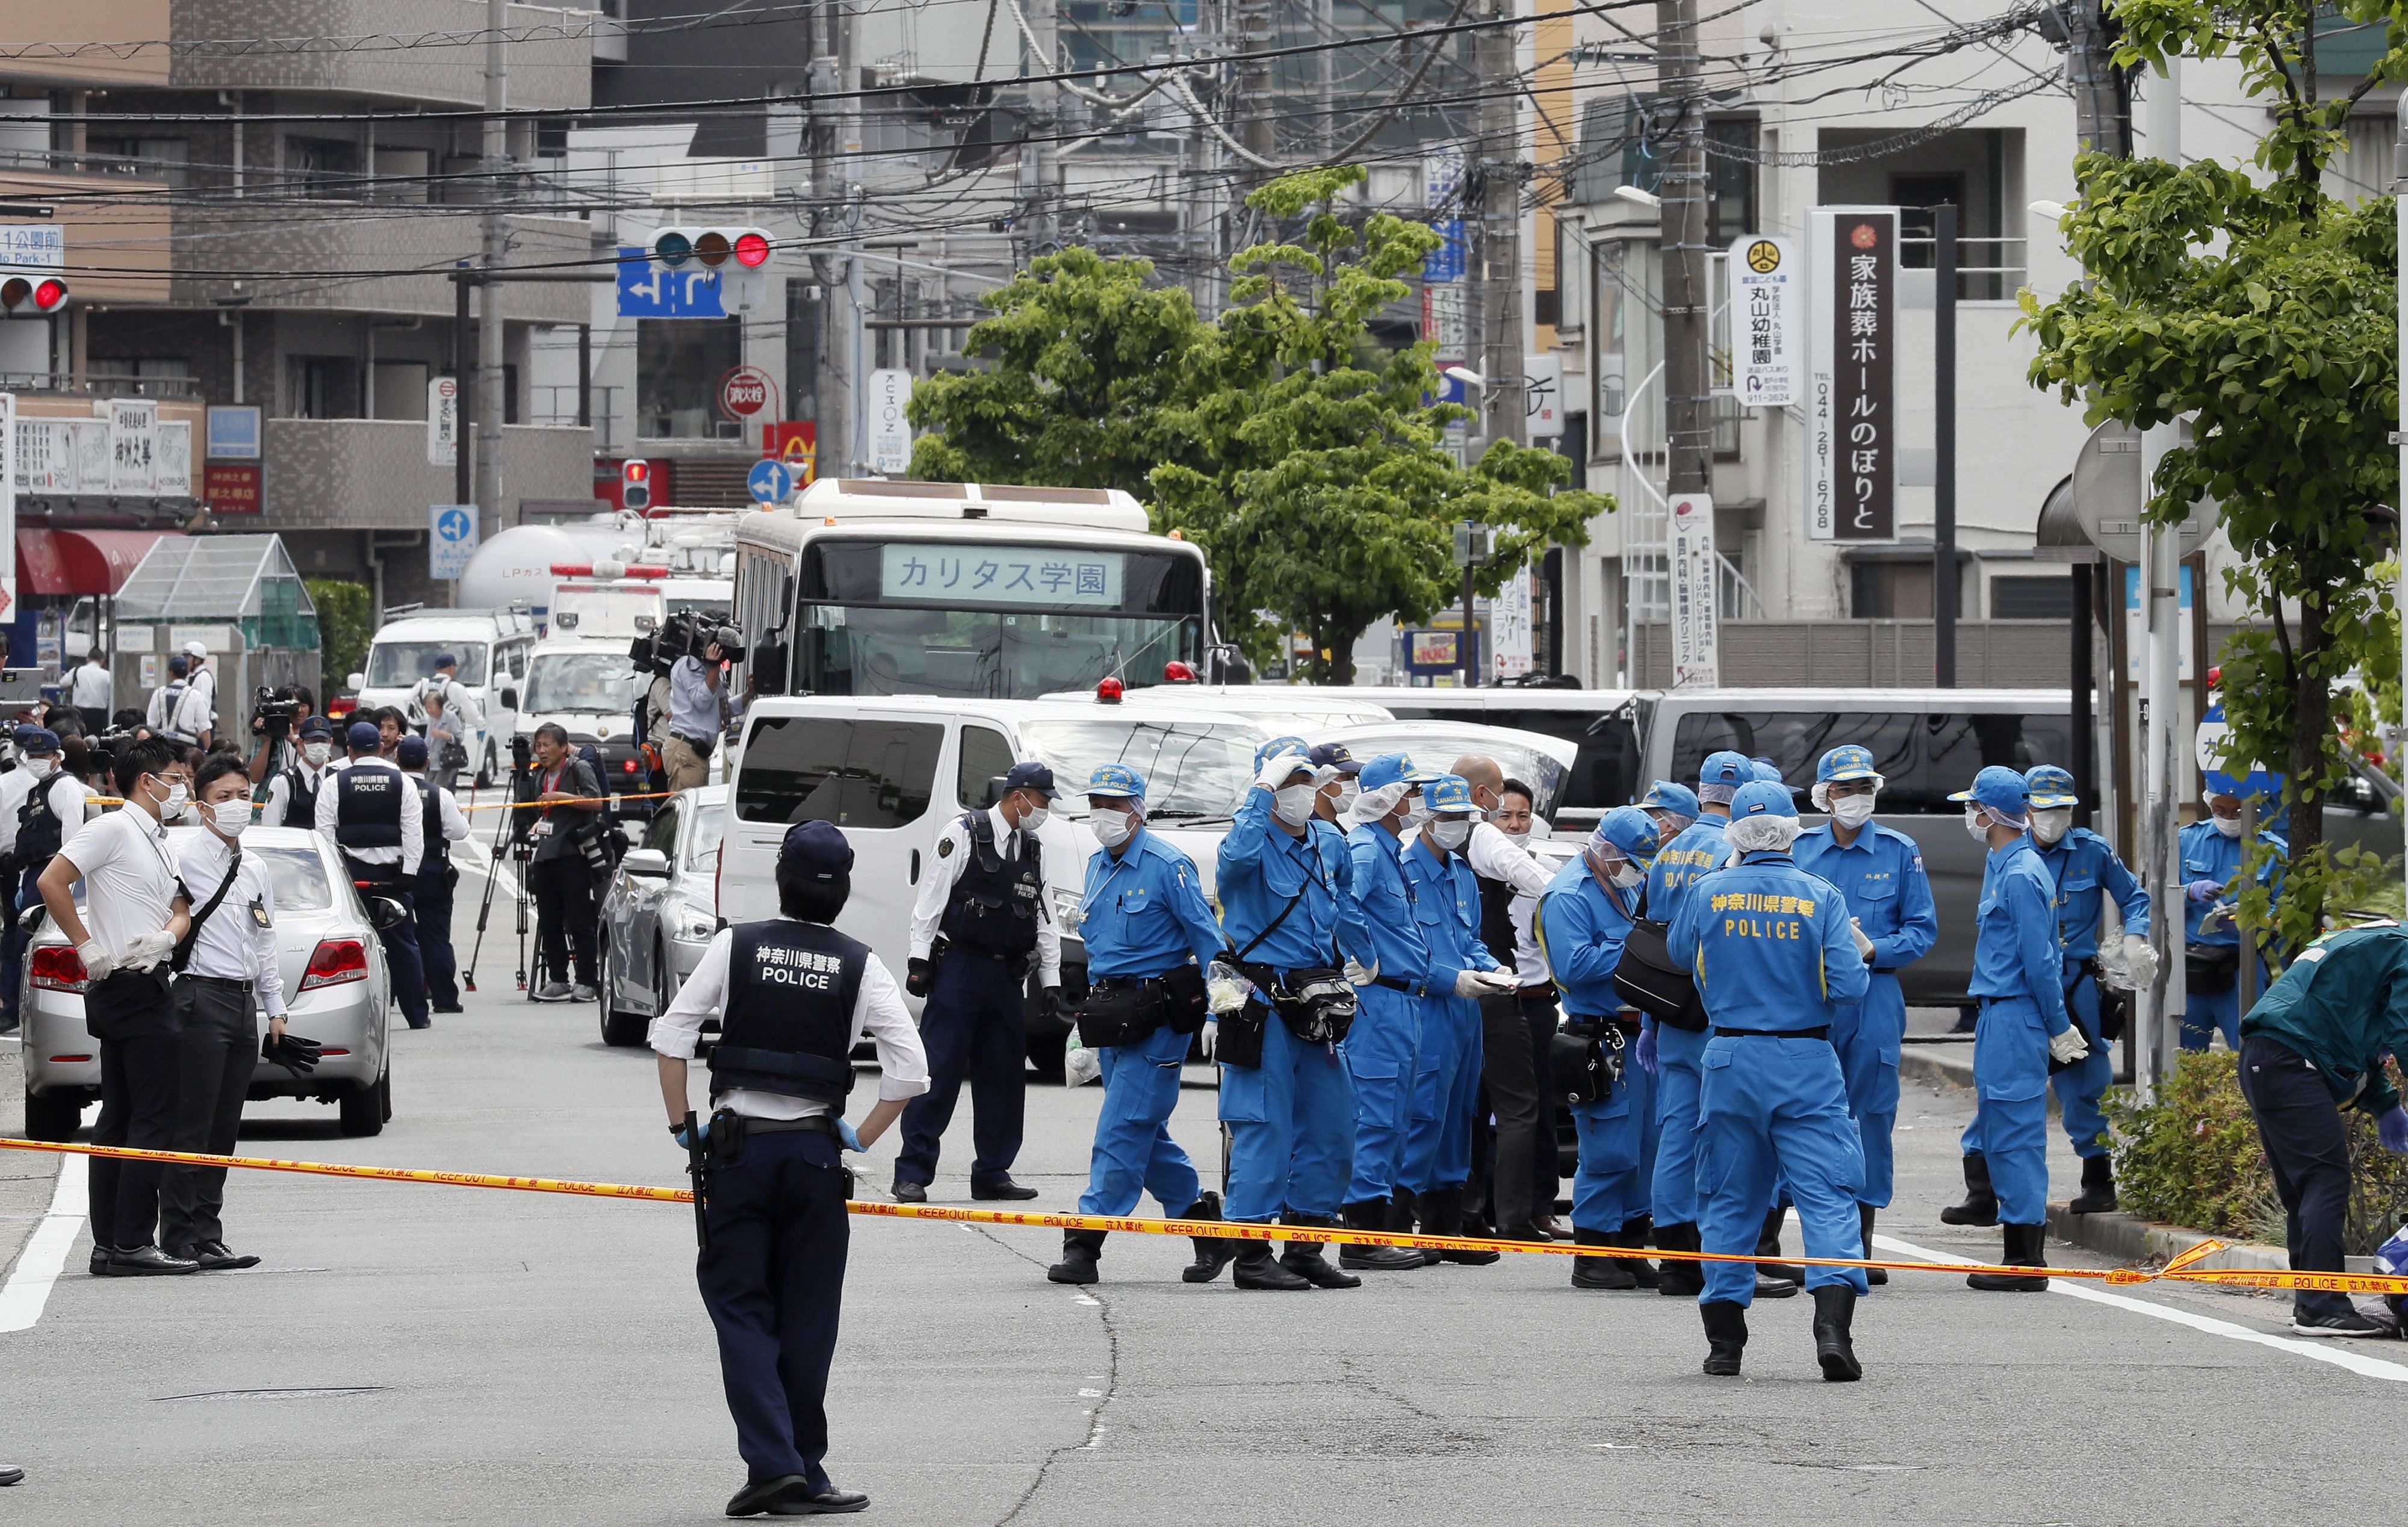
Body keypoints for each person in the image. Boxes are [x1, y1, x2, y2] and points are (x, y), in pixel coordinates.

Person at [649, 819, 930, 1516]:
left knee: (742, 1305)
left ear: (781, 877)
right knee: (808, 1316)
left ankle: (776, 1466)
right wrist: (858, 1136)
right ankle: (805, 1467)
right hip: (813, 1154)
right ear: (843, 891)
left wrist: (685, 1125)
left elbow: (672, 1034)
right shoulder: (861, 962)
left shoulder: (735, 945)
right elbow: (911, 1070)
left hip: (739, 1153)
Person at [1665, 779, 1872, 1380]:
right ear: (1792, 831)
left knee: (1729, 1197)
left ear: (1734, 834)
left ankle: (1724, 1343)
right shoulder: (1820, 895)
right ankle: (1832, 1328)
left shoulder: (1708, 891)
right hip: (1805, 1061)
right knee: (1827, 1194)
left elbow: (1680, 952)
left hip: (1728, 1057)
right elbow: (1852, 986)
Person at [1212, 740, 1395, 1284]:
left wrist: (1367, 957)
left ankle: (1306, 1244)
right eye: (1288, 781)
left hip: (1318, 999)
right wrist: (1262, 791)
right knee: (1264, 1125)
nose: (1300, 790)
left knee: (1334, 1125)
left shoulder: (1328, 842)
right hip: (1262, 1000)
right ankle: (1250, 1254)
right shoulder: (1247, 840)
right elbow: (1233, 865)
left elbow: (1341, 901)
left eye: (1305, 779)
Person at [1046, 764, 1232, 1287]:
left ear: (1138, 809)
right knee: (1144, 1132)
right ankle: (1205, 1224)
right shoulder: (1098, 865)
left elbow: (1210, 941)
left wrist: (1219, 1010)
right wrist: (1082, 1027)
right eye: (1096, 803)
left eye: (1115, 804)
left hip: (1158, 1015)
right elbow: (1101, 949)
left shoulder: (1168, 865)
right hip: (1111, 1015)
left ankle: (1085, 1240)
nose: (1103, 814)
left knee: (1122, 1127)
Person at [37, 736, 194, 1276]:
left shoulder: (159, 837)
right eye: (177, 777)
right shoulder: (112, 826)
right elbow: (51, 881)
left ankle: (112, 1243)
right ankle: (130, 1241)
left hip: (148, 977)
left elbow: (180, 908)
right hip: (125, 983)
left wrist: (168, 937)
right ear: (146, 780)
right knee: (152, 1117)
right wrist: (85, 945)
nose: (183, 787)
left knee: (123, 1115)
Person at [1791, 744, 1937, 1284]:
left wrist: (1873, 948)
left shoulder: (1900, 851)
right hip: (1812, 997)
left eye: (1865, 788)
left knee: (1872, 1111)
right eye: (1845, 788)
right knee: (1806, 1110)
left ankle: (1863, 1237)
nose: (1856, 798)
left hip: (1874, 995)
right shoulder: (1800, 849)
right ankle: (1815, 1235)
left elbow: (1922, 929)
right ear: (1824, 795)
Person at [892, 761, 1062, 1204]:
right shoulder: (964, 832)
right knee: (939, 1069)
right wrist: (918, 958)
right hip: (959, 968)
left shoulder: (1034, 849)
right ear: (1019, 795)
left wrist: (1051, 980)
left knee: (1004, 1075)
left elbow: (1044, 919)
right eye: (1042, 802)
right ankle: (912, 1170)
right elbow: (931, 896)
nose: (1043, 810)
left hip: (1006, 975)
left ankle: (992, 1170)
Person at [1947, 764, 2088, 1291]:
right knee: (1999, 1128)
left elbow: (2040, 960)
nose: (1969, 814)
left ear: (1990, 813)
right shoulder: (2003, 862)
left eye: (1973, 806)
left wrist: (2057, 1024)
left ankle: (2026, 1261)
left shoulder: (2022, 872)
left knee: (2015, 1135)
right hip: (2000, 1012)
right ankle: (2018, 1254)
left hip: (2015, 1011)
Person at [1641, 750, 1772, 1299]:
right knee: (1728, 1136)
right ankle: (1723, 1259)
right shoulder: (1734, 851)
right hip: (1723, 1013)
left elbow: (1649, 934)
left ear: (1701, 794)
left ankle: (1674, 1257)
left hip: (1671, 1010)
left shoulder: (1670, 849)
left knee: (1675, 1132)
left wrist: (1651, 1018)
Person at [2235, 923, 2408, 1336]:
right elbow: (2403, 1032)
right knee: (2324, 1178)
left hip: (2267, 1056)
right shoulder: (2402, 952)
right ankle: (2323, 1304)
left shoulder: (2376, 941)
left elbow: (2353, 1034)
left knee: (2304, 1189)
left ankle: (2312, 1300)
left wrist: (2385, 1104)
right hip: (2293, 1058)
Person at [158, 753, 292, 1272]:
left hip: (241, 1004)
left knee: (224, 1126)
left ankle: (209, 1233)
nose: (236, 805)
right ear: (202, 805)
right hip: (197, 997)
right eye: (223, 797)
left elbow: (264, 942)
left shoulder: (255, 866)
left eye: (243, 795)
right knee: (189, 1122)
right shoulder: (181, 859)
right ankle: (177, 1235)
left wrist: (274, 1008)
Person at [1537, 808, 1662, 1289]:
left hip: (1640, 1033)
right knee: (1609, 1148)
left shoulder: (1624, 881)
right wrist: (1642, 945)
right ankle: (1593, 1251)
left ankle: (1630, 1244)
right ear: (1607, 850)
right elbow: (1574, 965)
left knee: (1647, 1144)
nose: (1638, 871)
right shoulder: (1568, 895)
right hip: (1601, 1034)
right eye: (1632, 860)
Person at [2025, 764, 2155, 1215]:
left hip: (2077, 980)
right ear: (2026, 808)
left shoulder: (2092, 850)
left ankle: (2098, 1179)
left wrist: (2135, 938)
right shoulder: (2009, 854)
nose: (2052, 817)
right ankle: (1983, 1184)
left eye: (2061, 808)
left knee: (2088, 1083)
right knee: (2009, 1080)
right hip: (2023, 982)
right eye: (2044, 808)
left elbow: (2136, 898)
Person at [1398, 774, 1517, 1259]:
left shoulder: (1462, 872)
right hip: (1427, 1003)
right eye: (1446, 818)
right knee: (1422, 1113)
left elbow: (1469, 939)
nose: (1455, 827)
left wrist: (1491, 967)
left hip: (1466, 1010)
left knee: (1461, 1114)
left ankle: (1445, 1229)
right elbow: (1404, 948)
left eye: (1463, 818)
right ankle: (1397, 1225)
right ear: (1426, 818)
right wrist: (1453, 977)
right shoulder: (1403, 871)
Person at [1336, 753, 1444, 1266]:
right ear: (1387, 798)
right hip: (1378, 1001)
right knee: (1375, 1117)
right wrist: (1368, 957)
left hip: (1402, 1001)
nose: (1418, 800)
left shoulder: (1387, 849)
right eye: (1412, 790)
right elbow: (1343, 904)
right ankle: (1362, 1235)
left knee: (1397, 1118)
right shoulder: (1363, 849)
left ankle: (1376, 1225)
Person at [1450, 755, 1560, 1245]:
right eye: (1498, 797)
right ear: (1482, 796)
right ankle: (1515, 1217)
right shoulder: (1484, 836)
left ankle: (1464, 1211)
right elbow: (1537, 878)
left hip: (1449, 987)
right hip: (1495, 985)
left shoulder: (1426, 840)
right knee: (1518, 1106)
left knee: (1464, 1105)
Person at [318, 719, 430, 1030]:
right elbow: (413, 833)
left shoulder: (334, 783)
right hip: (393, 878)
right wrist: (410, 873)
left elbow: (324, 835)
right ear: (382, 748)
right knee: (404, 945)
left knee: (351, 948)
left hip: (350, 877)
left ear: (349, 750)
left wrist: (332, 877)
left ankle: (353, 1019)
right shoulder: (402, 782)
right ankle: (417, 1016)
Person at [2179, 785, 2285, 1052]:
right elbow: (2154, 901)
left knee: (2253, 1056)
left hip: (2242, 967)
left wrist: (2255, 919)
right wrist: (2188, 893)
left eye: (2238, 811)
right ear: (2210, 805)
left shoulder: (2273, 851)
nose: (2228, 818)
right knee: (2184, 1063)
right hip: (2191, 968)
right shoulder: (2185, 841)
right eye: (2220, 811)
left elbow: (2285, 915)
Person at [0, 728, 87, 1033]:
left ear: (57, 757)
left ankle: (25, 1011)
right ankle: (14, 1008)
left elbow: (73, 839)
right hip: (32, 875)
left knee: (35, 946)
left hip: (53, 873)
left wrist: (65, 881)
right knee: (19, 943)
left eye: (44, 756)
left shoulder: (66, 788)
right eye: (33, 756)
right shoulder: (39, 790)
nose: (38, 761)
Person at [517, 722, 606, 1004]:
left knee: (580, 921)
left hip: (572, 855)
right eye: (538, 746)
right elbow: (543, 813)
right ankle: (558, 979)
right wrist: (537, 826)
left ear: (563, 747)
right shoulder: (539, 775)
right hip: (545, 855)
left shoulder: (578, 768)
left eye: (547, 746)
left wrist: (561, 798)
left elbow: (597, 803)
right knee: (549, 921)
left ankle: (587, 981)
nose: (541, 751)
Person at [399, 736, 470, 1015]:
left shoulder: (393, 790)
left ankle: (401, 994)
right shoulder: (440, 795)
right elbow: (459, 831)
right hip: (431, 868)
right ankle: (444, 998)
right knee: (436, 936)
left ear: (397, 760)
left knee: (396, 936)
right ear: (427, 763)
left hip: (397, 869)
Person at [663, 633, 728, 793]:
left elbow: (723, 707)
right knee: (686, 811)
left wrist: (748, 695)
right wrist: (714, 665)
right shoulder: (689, 665)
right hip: (686, 750)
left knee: (695, 810)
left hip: (698, 753)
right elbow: (702, 700)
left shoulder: (715, 672)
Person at [262, 715, 335, 827]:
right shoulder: (283, 781)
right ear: (301, 742)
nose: (318, 746)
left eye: (323, 741)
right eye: (312, 741)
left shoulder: (336, 779)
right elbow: (270, 826)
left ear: (331, 742)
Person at [245, 684, 317, 788]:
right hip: (272, 797)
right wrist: (267, 741)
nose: (299, 711)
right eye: (294, 706)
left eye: (303, 706)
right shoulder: (270, 733)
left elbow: (319, 766)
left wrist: (294, 742)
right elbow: (255, 778)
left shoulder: (316, 734)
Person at [422, 687, 469, 794]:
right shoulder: (431, 719)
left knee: (439, 791)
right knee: (427, 789)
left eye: (431, 707)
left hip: (446, 760)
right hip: (432, 761)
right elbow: (428, 740)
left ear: (440, 705)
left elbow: (459, 737)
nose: (429, 710)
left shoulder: (451, 717)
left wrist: (445, 735)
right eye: (427, 707)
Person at [146, 654, 192, 741]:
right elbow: (204, 727)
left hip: (161, 746)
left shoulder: (159, 693)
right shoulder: (195, 695)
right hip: (186, 746)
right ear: (188, 672)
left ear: (171, 673)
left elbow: (151, 723)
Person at [68, 649, 112, 736]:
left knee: (80, 735)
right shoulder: (107, 675)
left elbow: (63, 683)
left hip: (79, 712)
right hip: (99, 713)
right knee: (98, 737)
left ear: (88, 659)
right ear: (102, 661)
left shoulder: (77, 671)